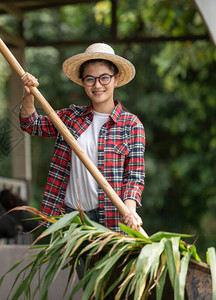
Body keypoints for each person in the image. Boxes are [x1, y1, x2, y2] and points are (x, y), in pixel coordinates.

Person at [19, 43, 145, 233]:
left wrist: (129, 210)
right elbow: (31, 124)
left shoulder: (131, 125)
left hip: (110, 221)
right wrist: (28, 96)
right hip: (70, 219)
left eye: (104, 78)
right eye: (90, 79)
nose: (97, 85)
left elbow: (134, 176)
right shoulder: (71, 118)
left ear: (116, 79)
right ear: (83, 82)